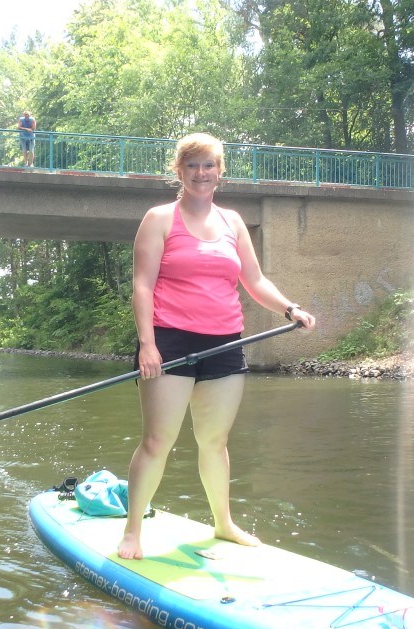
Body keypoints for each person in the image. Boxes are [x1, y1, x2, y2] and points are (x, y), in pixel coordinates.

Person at [118, 132, 316, 560]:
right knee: (158, 440)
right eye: (193, 165)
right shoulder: (159, 218)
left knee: (214, 441)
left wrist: (289, 308)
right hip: (169, 340)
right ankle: (133, 531)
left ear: (220, 172)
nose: (201, 173)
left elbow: (255, 281)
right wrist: (147, 345)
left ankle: (223, 523)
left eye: (209, 165)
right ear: (180, 171)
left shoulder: (233, 222)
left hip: (225, 342)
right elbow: (142, 285)